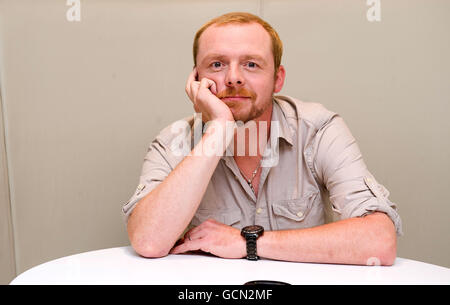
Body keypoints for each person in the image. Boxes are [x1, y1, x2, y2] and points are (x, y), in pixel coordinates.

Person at [122, 12, 402, 265]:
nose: (233, 78)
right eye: (217, 64)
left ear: (277, 79)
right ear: (196, 79)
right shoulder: (174, 141)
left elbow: (380, 241)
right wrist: (219, 129)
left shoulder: (319, 130)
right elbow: (148, 241)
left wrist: (247, 242)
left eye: (252, 64)